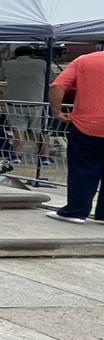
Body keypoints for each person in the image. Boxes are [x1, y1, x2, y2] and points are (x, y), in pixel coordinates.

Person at [47, 48, 104, 224]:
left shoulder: (84, 60)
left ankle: (76, 211)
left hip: (87, 125)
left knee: (82, 168)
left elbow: (57, 86)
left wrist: (57, 111)